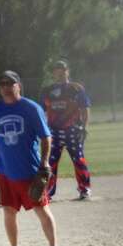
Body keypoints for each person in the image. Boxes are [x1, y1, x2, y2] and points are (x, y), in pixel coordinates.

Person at [0, 69, 63, 246]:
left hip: (30, 171)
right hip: (5, 171)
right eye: (2, 84)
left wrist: (45, 162)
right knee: (8, 211)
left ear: (18, 85)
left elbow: (46, 136)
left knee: (41, 209)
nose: (6, 87)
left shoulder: (31, 108)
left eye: (10, 83)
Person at [39, 59, 92, 200]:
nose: (60, 72)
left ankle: (84, 189)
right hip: (53, 132)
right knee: (50, 162)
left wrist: (84, 127)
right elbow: (41, 111)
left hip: (73, 130)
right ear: (53, 73)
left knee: (79, 159)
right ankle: (48, 192)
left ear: (68, 71)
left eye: (63, 69)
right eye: (57, 69)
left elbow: (85, 108)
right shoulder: (47, 91)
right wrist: (43, 130)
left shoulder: (76, 88)